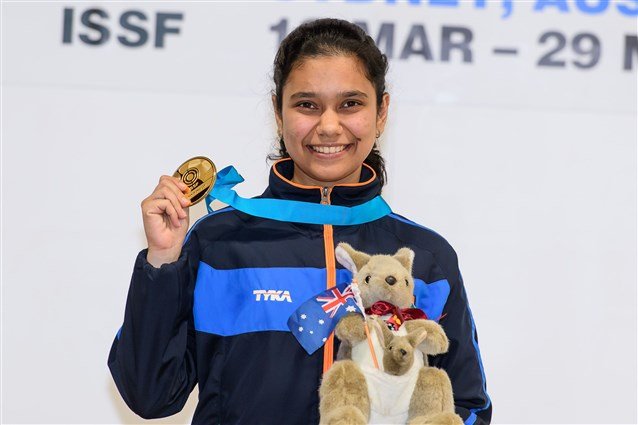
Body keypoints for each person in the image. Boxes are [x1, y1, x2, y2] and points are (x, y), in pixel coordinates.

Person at [108, 18, 492, 425]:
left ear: (382, 112)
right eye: (307, 104)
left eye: (350, 104)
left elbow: (467, 406)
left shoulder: (426, 258)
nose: (328, 126)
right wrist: (163, 261)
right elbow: (149, 395)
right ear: (278, 111)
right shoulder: (222, 243)